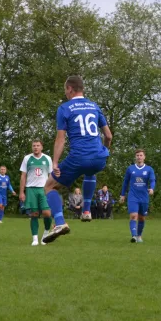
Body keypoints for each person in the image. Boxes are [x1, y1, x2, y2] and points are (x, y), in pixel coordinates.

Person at [43, 75, 112, 243]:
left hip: (78, 157)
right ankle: (87, 211)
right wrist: (103, 152)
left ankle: (59, 222)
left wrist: (55, 162)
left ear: (70, 89)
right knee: (91, 170)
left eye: (65, 89)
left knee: (50, 186)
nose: (65, 93)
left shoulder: (65, 108)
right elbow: (108, 136)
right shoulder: (95, 106)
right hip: (99, 156)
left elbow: (60, 139)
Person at [19, 139, 53, 245]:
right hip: (31, 189)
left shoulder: (47, 158)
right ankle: (35, 239)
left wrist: (51, 190)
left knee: (47, 213)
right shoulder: (27, 158)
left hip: (44, 189)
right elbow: (23, 176)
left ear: (42, 147)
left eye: (38, 145)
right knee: (34, 214)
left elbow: (51, 176)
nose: (35, 147)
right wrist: (21, 192)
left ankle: (46, 234)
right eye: (34, 145)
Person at [120, 150, 156, 243]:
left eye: (141, 155)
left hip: (144, 197)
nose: (139, 157)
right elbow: (125, 182)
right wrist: (123, 194)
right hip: (133, 196)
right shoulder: (130, 169)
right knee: (133, 216)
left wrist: (151, 188)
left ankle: (139, 235)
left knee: (141, 218)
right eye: (137, 155)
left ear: (144, 157)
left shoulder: (149, 169)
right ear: (135, 157)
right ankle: (134, 236)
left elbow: (152, 180)